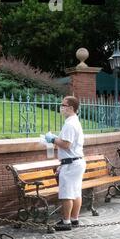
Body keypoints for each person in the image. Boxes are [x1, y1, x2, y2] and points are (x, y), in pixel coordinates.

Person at [45, 96, 86, 231]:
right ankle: (74, 219)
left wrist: (52, 139)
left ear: (71, 108)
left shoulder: (69, 123)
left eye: (63, 105)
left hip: (71, 164)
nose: (61, 107)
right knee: (76, 192)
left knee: (67, 193)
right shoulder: (75, 122)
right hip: (75, 161)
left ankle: (66, 222)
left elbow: (66, 144)